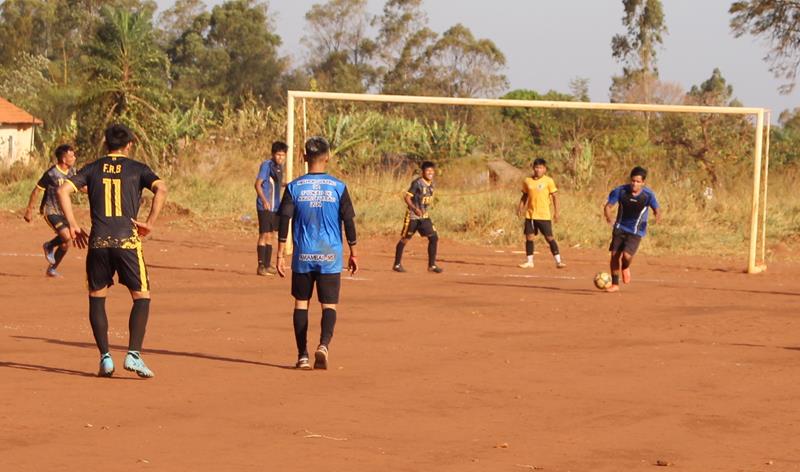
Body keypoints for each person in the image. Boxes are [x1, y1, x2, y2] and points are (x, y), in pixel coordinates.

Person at [57, 124, 168, 378]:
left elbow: (63, 189)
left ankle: (105, 358)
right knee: (141, 296)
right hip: (127, 240)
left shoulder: (93, 168)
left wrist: (73, 224)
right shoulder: (138, 168)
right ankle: (133, 354)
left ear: (106, 144)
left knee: (97, 296)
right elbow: (161, 188)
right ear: (129, 144)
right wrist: (149, 223)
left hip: (98, 242)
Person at [276, 136, 358, 370]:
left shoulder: (294, 187)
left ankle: (302, 356)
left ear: (304, 158)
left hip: (303, 255)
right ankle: (323, 345)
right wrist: (354, 251)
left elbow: (284, 220)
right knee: (329, 305)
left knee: (301, 304)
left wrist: (281, 253)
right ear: (328, 157)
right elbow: (349, 221)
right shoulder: (339, 187)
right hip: (330, 254)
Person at [23, 144, 80, 277]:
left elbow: (81, 186)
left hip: (63, 212)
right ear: (64, 159)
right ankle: (49, 245)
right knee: (66, 236)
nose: (74, 158)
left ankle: (52, 268)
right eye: (71, 156)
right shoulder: (51, 173)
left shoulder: (72, 172)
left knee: (68, 241)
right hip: (50, 210)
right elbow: (36, 190)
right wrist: (29, 210)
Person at [603, 166, 661, 293]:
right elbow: (608, 206)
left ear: (643, 183)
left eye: (638, 182)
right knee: (614, 255)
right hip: (620, 227)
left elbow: (657, 208)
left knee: (627, 256)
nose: (635, 184)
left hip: (636, 230)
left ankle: (625, 266)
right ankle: (615, 284)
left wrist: (657, 216)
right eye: (633, 181)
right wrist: (609, 217)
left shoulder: (648, 195)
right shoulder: (621, 191)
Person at [392, 161, 443, 273]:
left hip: (424, 217)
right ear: (423, 172)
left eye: (431, 171)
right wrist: (414, 208)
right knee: (405, 239)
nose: (430, 173)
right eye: (427, 170)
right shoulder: (417, 183)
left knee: (434, 238)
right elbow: (407, 197)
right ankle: (396, 264)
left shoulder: (432, 184)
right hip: (413, 217)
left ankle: (432, 265)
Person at [517, 158, 566, 269]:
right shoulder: (527, 181)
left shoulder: (548, 181)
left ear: (544, 169)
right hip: (530, 215)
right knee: (529, 237)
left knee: (549, 237)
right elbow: (524, 195)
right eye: (536, 167)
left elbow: (555, 197)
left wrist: (556, 212)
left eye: (540, 168)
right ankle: (529, 262)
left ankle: (558, 261)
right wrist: (520, 207)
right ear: (533, 168)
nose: (538, 170)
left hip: (543, 215)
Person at [255, 141, 287, 275]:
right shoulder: (266, 165)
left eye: (283, 155)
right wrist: (264, 200)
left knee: (272, 235)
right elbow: (257, 184)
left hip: (275, 207)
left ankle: (268, 265)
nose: (280, 157)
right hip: (265, 206)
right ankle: (261, 266)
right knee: (264, 234)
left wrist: (288, 185)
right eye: (278, 155)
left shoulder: (280, 168)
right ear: (273, 154)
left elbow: (277, 185)